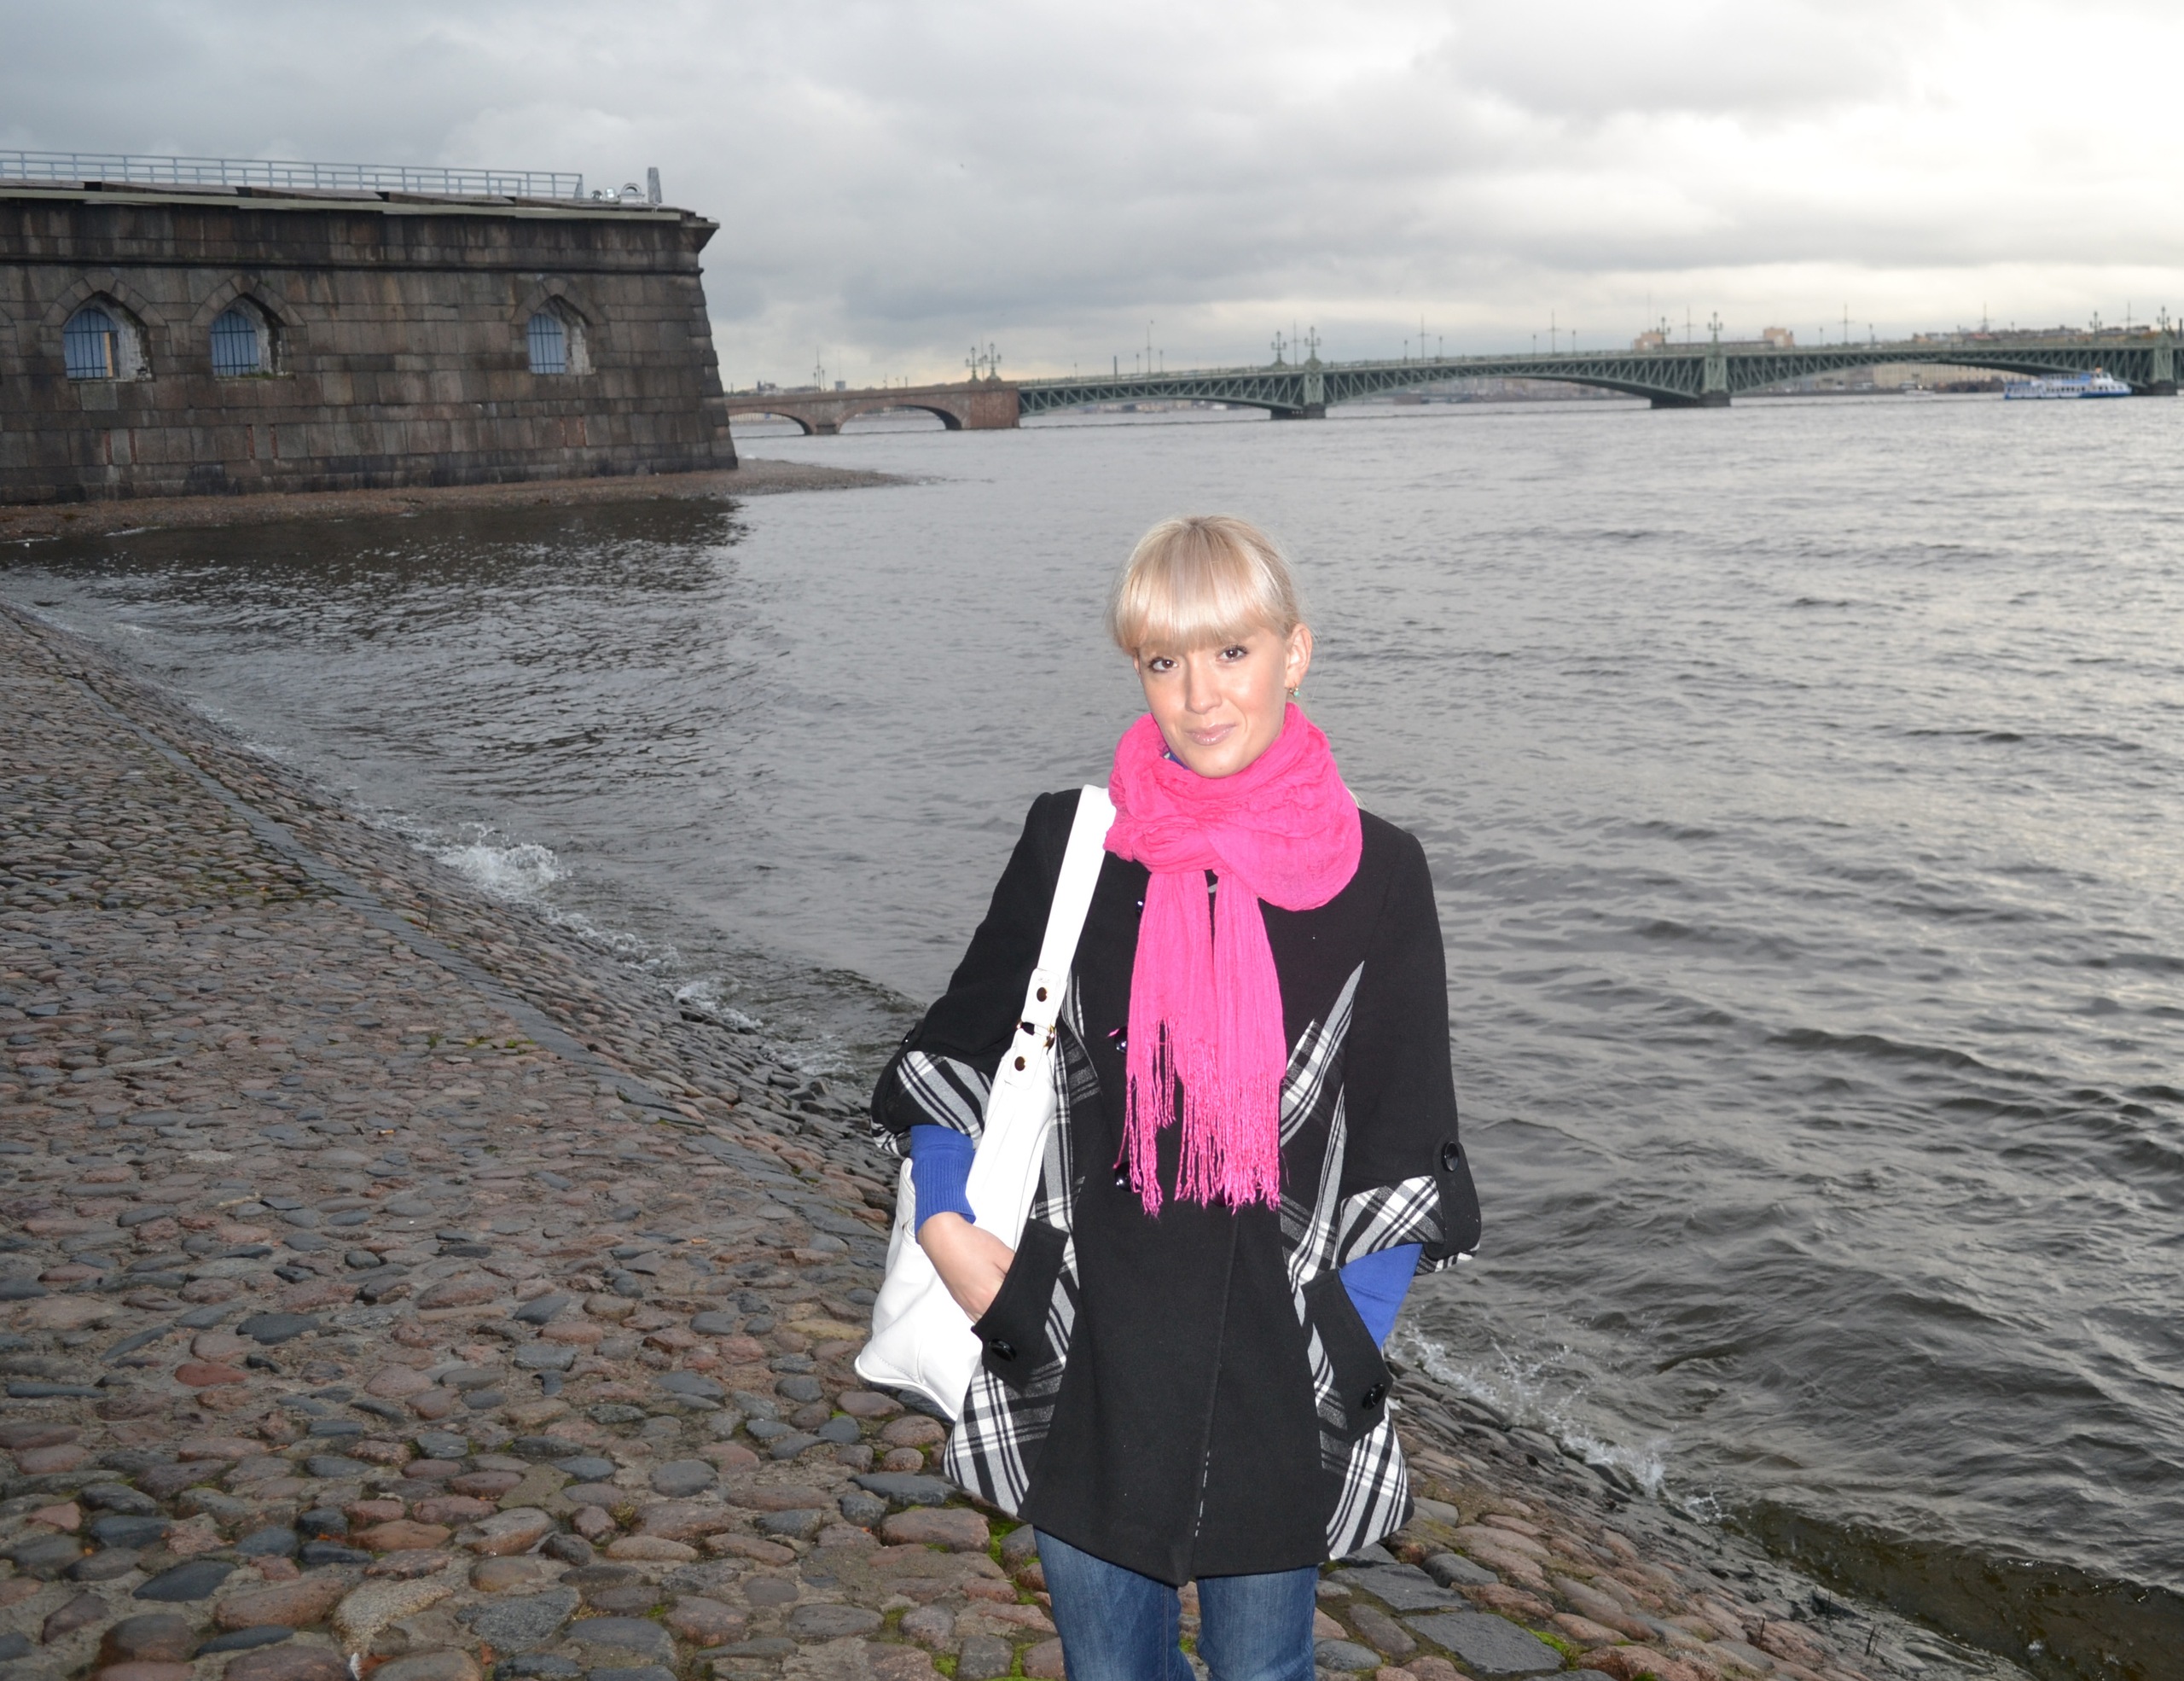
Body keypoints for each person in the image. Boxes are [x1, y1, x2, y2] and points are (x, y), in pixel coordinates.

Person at [868, 514, 1480, 1681]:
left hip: (1276, 1361)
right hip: (1082, 1341)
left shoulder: (1380, 871)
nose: (1200, 696)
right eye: (1164, 661)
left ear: (1295, 652)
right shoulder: (1075, 843)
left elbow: (1403, 1139)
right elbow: (959, 1043)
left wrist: (1342, 1343)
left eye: (1231, 652)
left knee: (1264, 1671)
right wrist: (948, 1228)